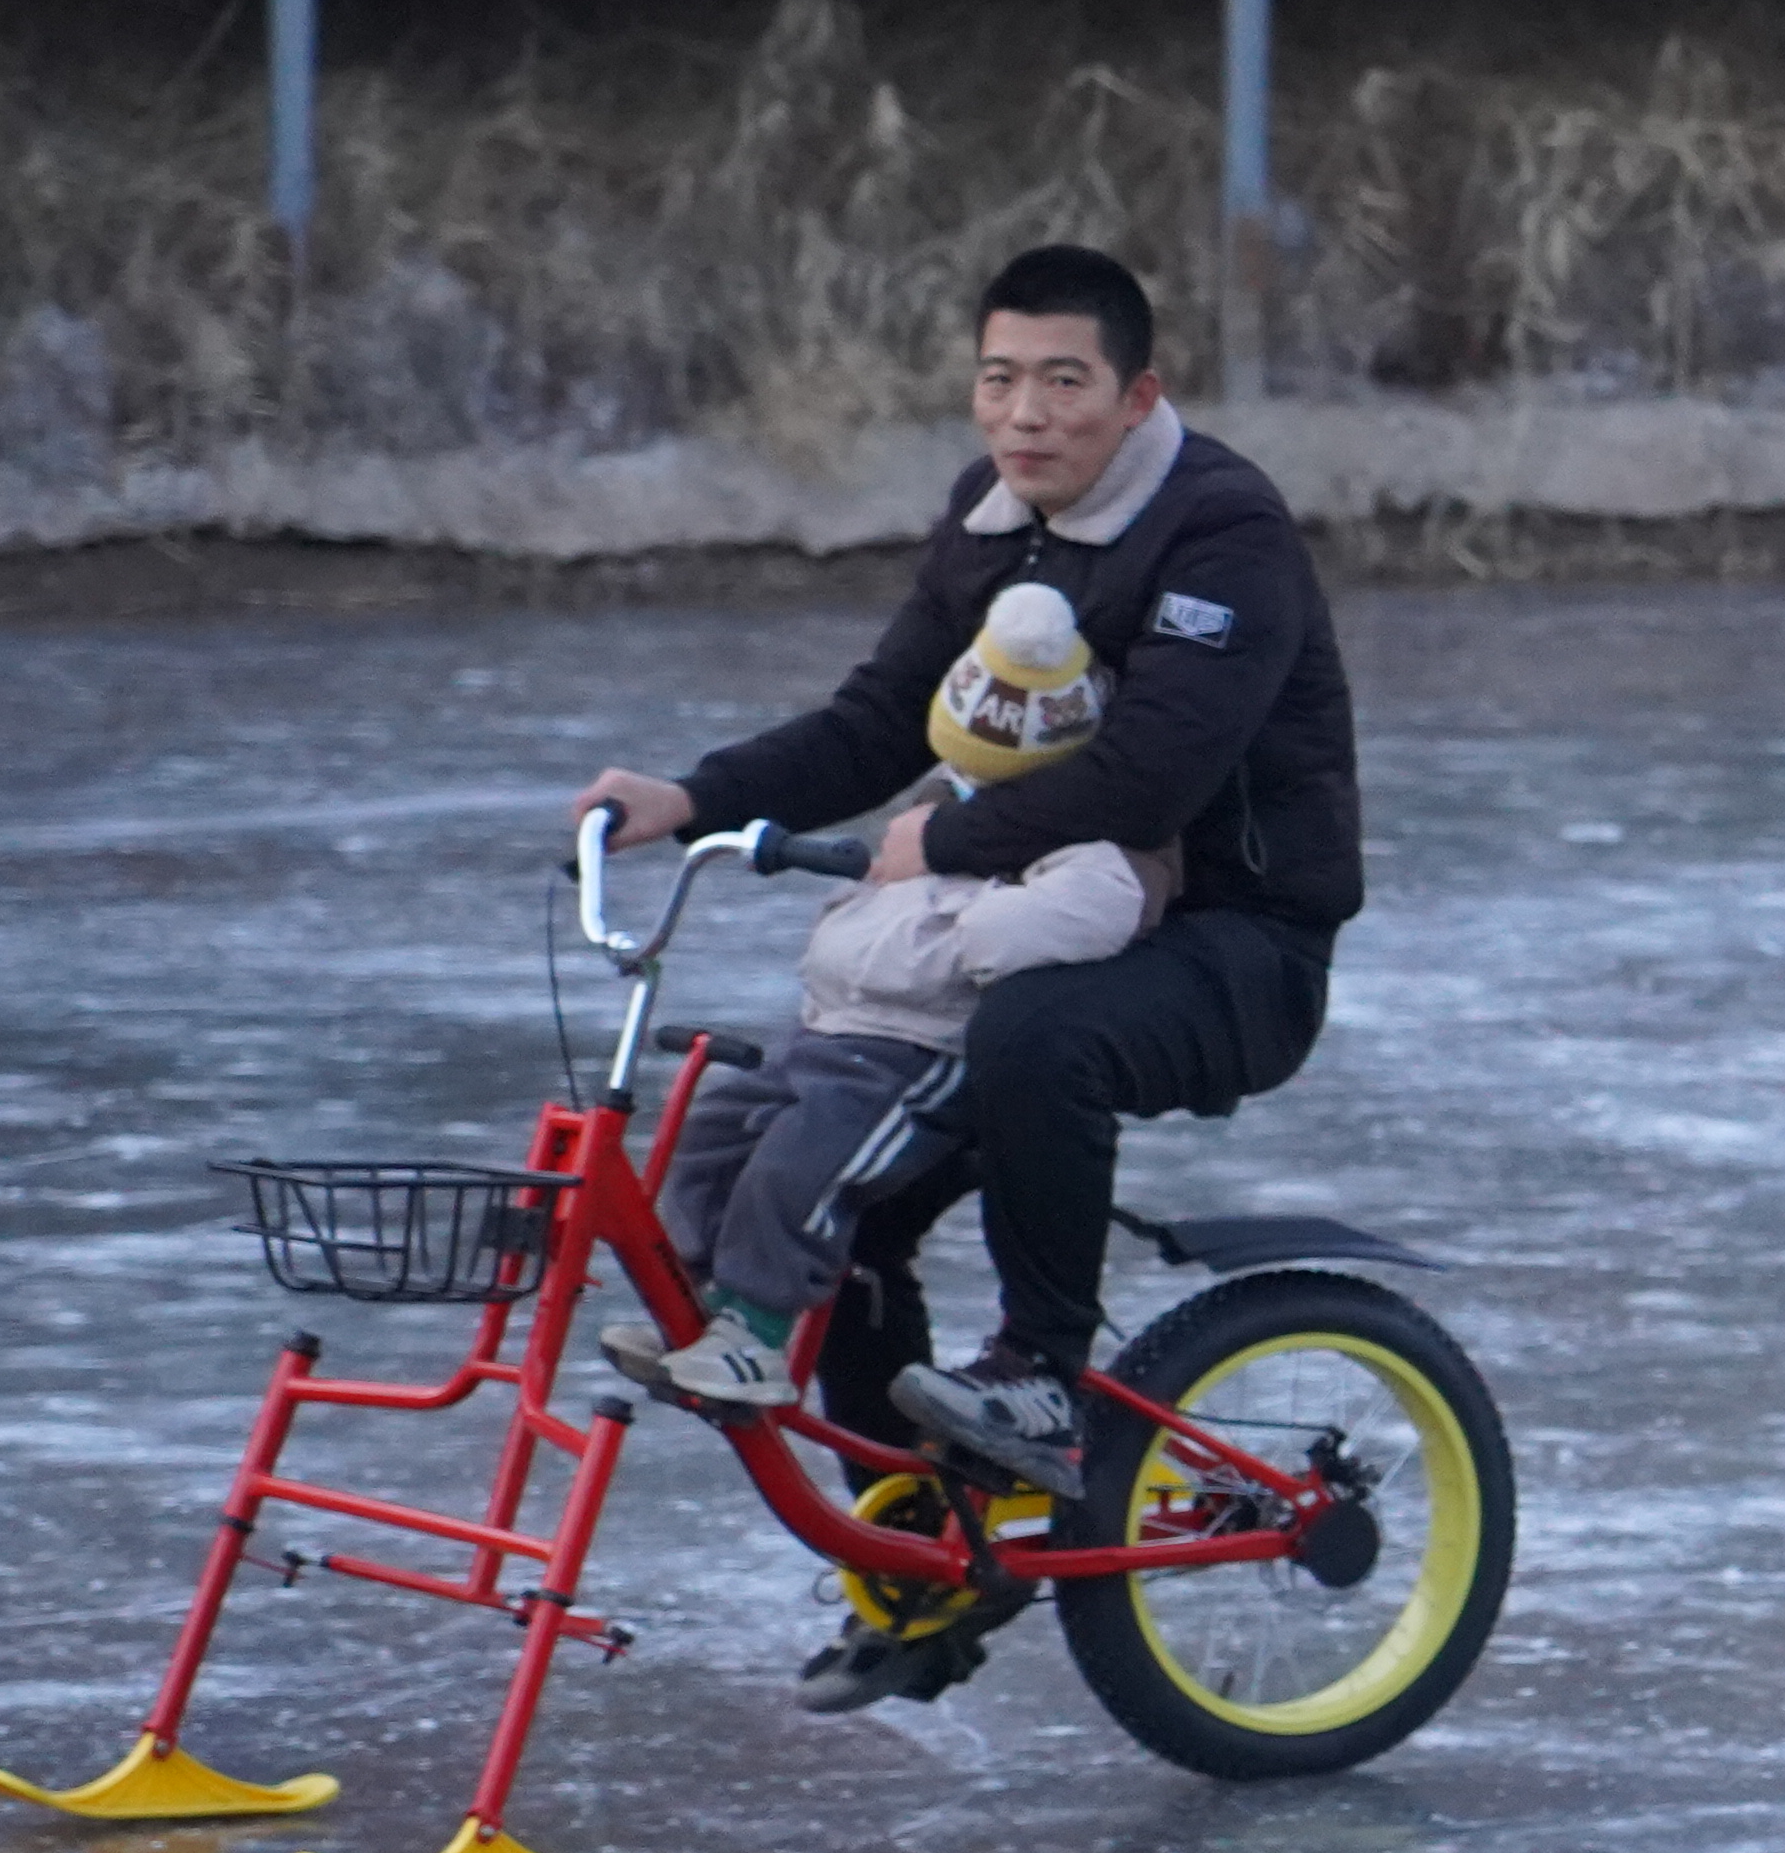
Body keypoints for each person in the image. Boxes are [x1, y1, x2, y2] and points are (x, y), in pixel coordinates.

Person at [568, 243, 1359, 1511]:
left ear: (1138, 398)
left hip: (1235, 944)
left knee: (1035, 1032)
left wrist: (935, 845)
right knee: (845, 1176)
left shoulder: (1223, 531)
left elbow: (1151, 779)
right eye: (1000, 379)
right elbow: (887, 719)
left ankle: (1042, 1373)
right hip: (1037, 900)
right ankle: (925, 1536)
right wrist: (695, 797)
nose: (1025, 414)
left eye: (1063, 381)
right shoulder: (992, 517)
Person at [600, 584, 1171, 1415]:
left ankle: (757, 1326)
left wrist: (968, 924)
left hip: (917, 1050)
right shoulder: (946, 800)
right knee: (711, 1137)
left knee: (808, 1164)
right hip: (831, 1025)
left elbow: (1094, 905)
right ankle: (696, 1300)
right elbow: (872, 804)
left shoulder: (1086, 833)